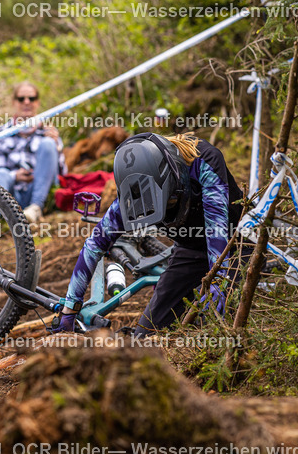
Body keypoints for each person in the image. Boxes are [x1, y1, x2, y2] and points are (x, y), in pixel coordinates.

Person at [53, 132, 243, 336]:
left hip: (235, 245)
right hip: (190, 250)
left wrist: (218, 281)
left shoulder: (203, 162)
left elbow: (217, 230)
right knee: (144, 336)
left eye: (168, 202)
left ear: (172, 180)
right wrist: (70, 309)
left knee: (219, 327)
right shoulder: (128, 197)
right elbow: (94, 245)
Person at [0, 82, 66, 234]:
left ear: (37, 102)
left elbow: (62, 174)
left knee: (48, 144)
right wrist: (15, 176)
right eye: (21, 98)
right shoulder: (0, 134)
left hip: (41, 192)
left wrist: (57, 148)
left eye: (31, 98)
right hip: (12, 196)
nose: (27, 102)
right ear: (14, 102)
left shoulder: (48, 133)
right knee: (3, 173)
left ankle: (35, 209)